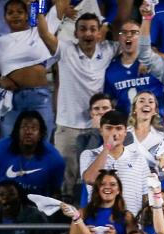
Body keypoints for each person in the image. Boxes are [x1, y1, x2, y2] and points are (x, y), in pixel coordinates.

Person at [45, 12, 117, 196]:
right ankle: (62, 221)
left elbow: (134, 46)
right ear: (75, 33)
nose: (88, 34)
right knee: (64, 182)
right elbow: (43, 33)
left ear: (100, 33)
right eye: (83, 29)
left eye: (93, 29)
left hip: (97, 128)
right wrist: (38, 6)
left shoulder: (108, 49)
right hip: (67, 127)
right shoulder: (65, 49)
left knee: (96, 180)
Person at [0, 1, 55, 138]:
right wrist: (0, 81)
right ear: (4, 17)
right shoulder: (0, 42)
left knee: (43, 142)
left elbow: (39, 8)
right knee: (10, 143)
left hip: (39, 98)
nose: (15, 16)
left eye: (19, 12)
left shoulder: (38, 32)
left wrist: (34, 4)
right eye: (10, 13)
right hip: (11, 100)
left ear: (27, 15)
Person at [0, 110, 66, 201]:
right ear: (17, 132)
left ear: (40, 135)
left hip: (36, 207)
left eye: (34, 128)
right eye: (24, 127)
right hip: (4, 202)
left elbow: (55, 190)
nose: (28, 132)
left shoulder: (55, 159)